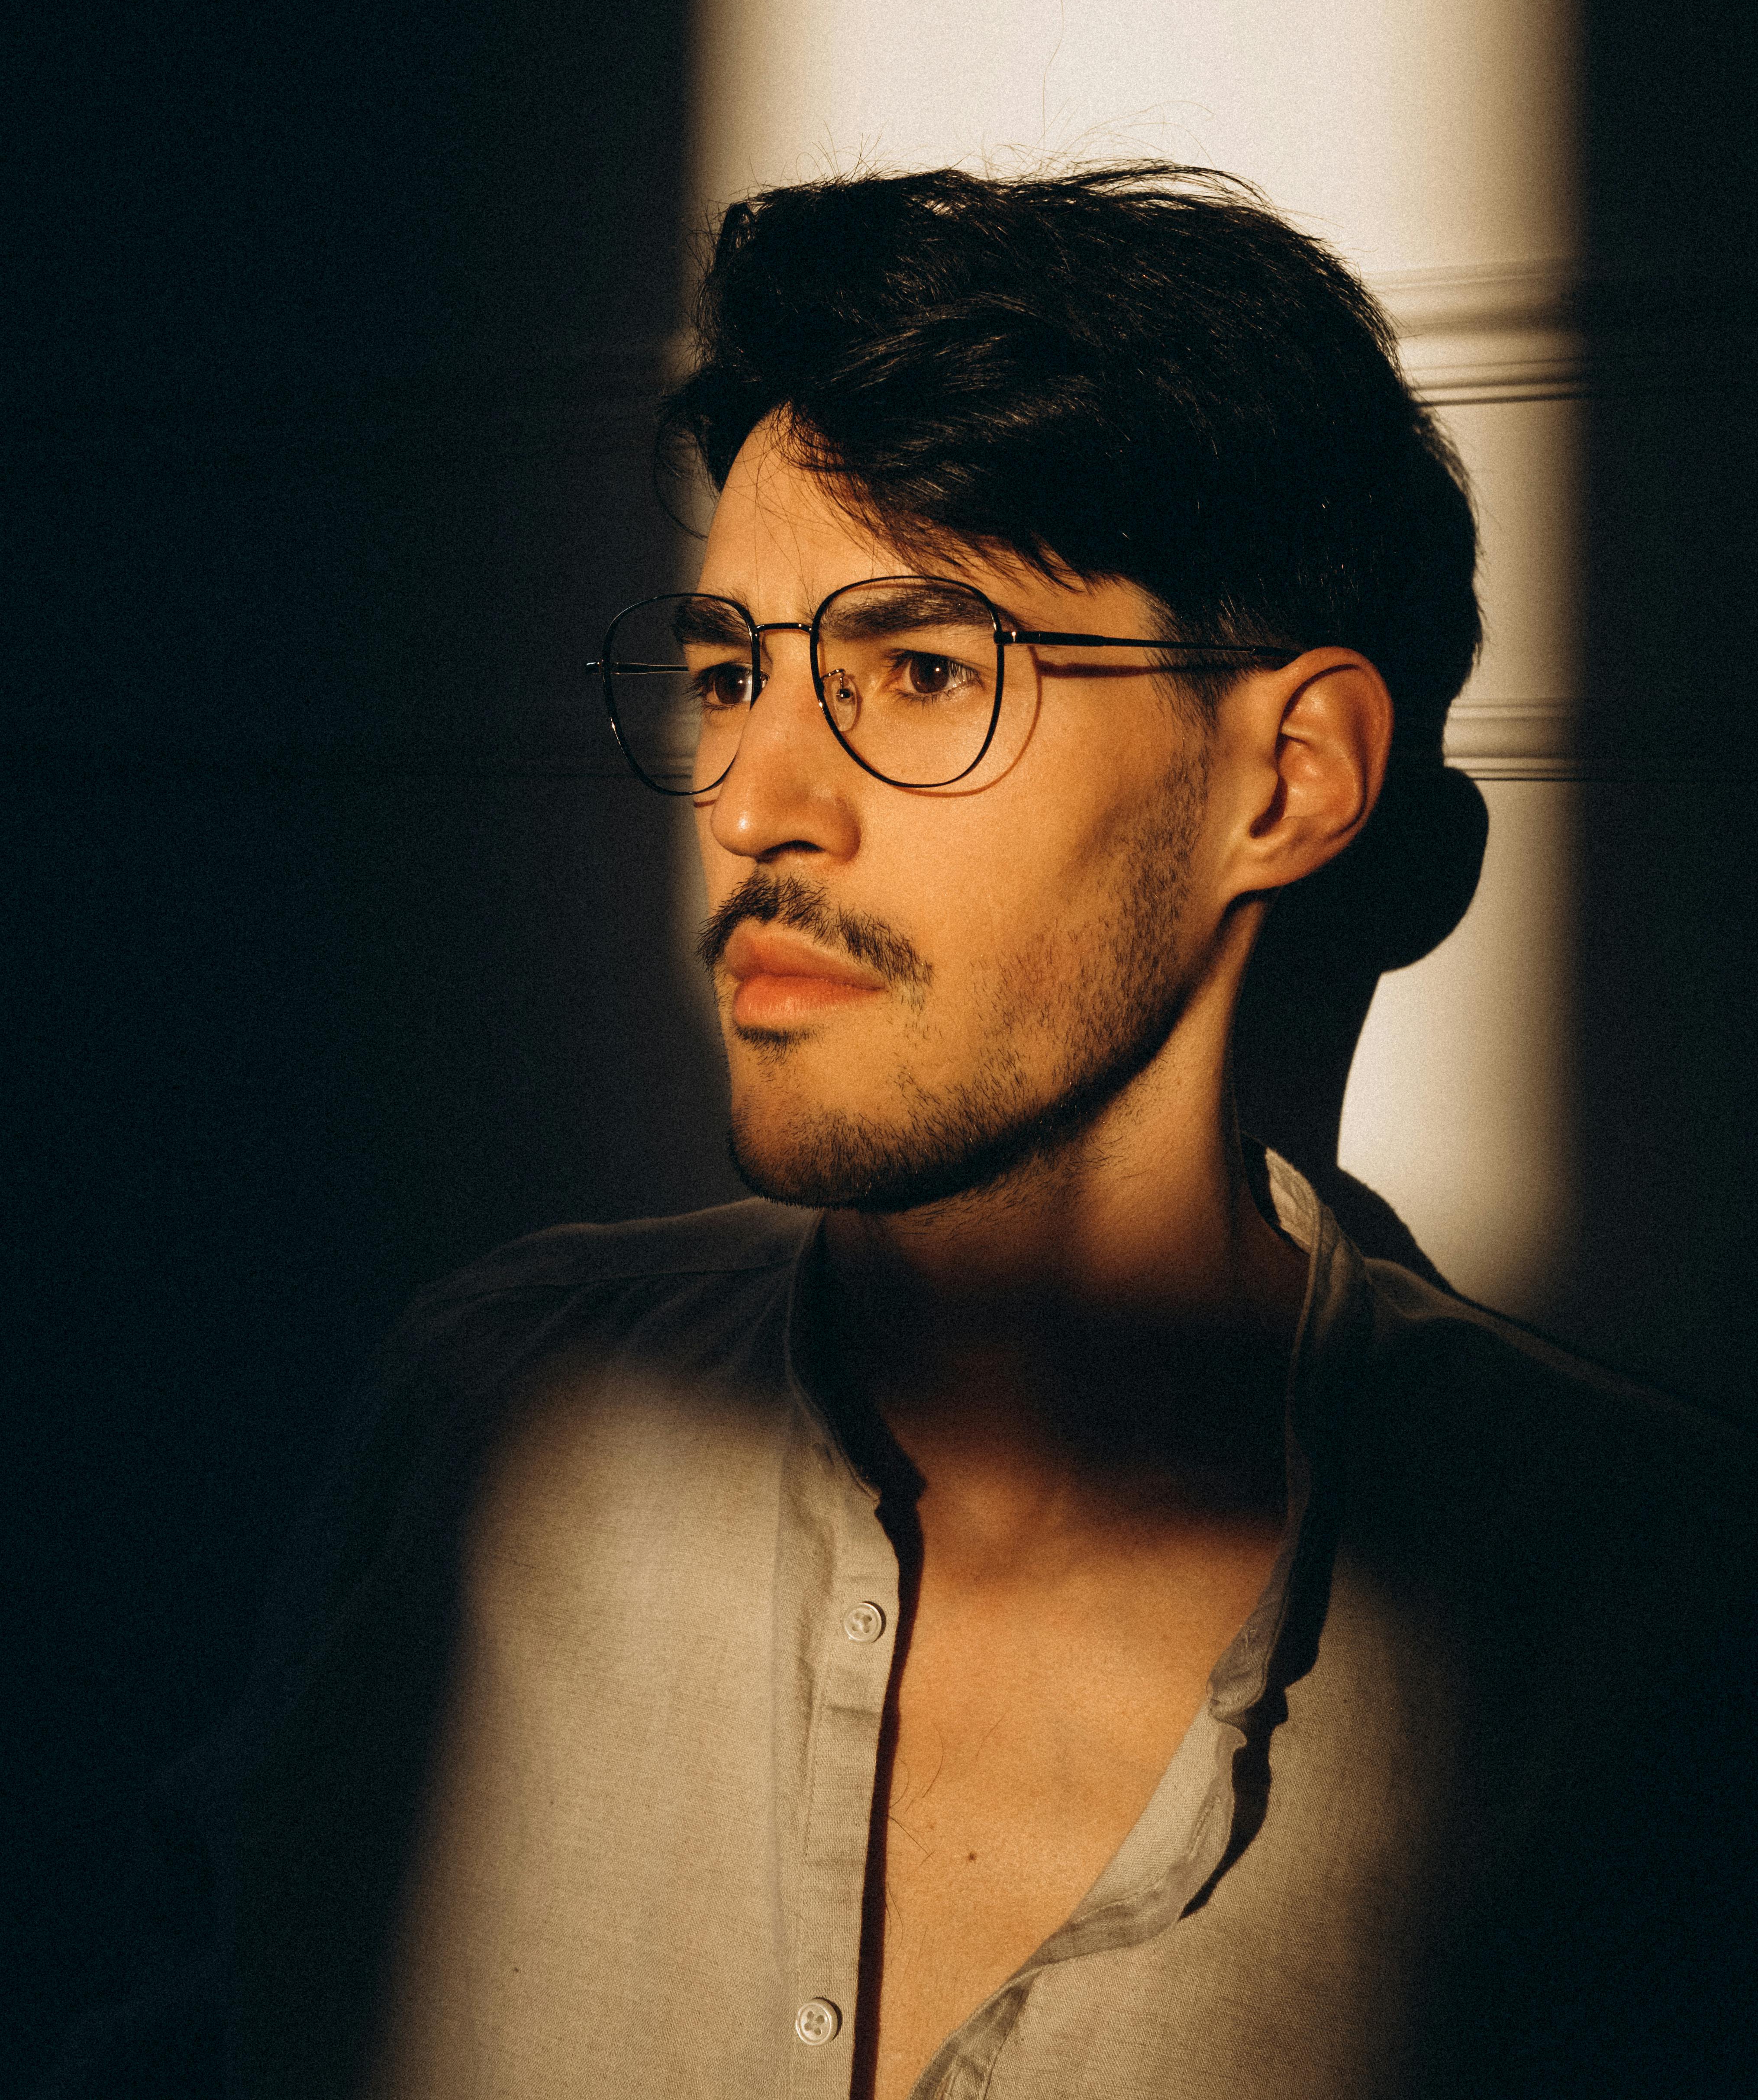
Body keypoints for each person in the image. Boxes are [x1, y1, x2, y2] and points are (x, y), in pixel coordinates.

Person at [46, 168, 1754, 2099]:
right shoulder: (486, 1423)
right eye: (726, 674)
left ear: (1283, 779)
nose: (753, 795)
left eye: (921, 671)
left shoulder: (1640, 1630)